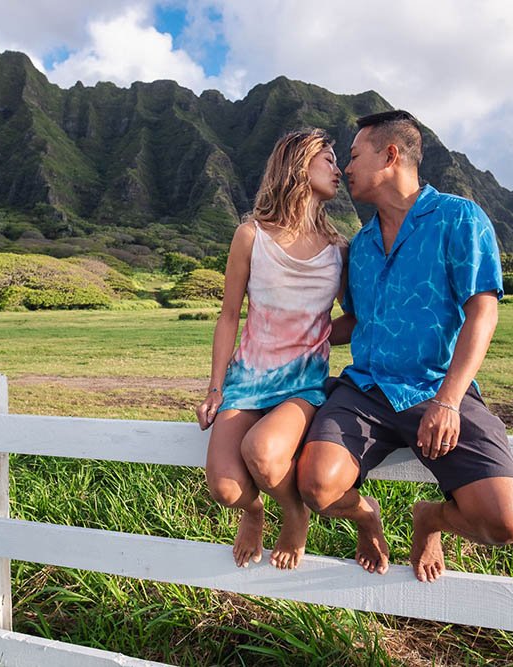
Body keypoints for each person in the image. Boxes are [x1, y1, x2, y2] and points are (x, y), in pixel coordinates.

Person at [296, 110, 513, 582]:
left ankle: (431, 518)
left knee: (506, 520)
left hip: (438, 388)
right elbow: (356, 321)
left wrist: (448, 401)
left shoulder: (459, 217)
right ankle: (367, 517)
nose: (346, 169)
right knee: (317, 486)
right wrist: (296, 333)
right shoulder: (359, 245)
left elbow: (482, 311)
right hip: (365, 390)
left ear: (391, 155)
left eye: (355, 156)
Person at [197, 129, 346, 570]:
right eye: (329, 160)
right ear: (300, 166)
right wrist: (215, 387)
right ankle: (254, 511)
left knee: (262, 451)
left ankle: (293, 512)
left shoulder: (340, 251)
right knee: (224, 489)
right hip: (248, 379)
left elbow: (355, 321)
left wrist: (315, 335)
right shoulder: (250, 235)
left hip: (303, 385)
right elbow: (228, 316)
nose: (338, 170)